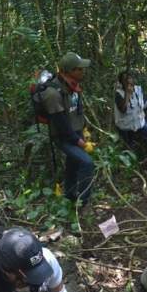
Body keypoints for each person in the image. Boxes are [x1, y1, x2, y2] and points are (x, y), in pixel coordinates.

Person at [41, 52, 94, 205]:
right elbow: (61, 124)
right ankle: (83, 203)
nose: (82, 72)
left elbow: (77, 111)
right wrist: (79, 142)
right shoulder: (53, 94)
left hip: (76, 132)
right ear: (69, 71)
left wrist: (84, 130)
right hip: (64, 137)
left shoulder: (73, 87)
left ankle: (70, 196)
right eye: (79, 69)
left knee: (73, 164)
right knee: (87, 163)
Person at [114, 71, 147, 168]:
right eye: (125, 80)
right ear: (122, 82)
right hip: (125, 126)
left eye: (130, 78)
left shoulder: (138, 89)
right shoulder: (118, 93)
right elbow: (123, 110)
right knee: (128, 149)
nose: (128, 81)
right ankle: (130, 169)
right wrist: (128, 94)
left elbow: (141, 103)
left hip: (139, 123)